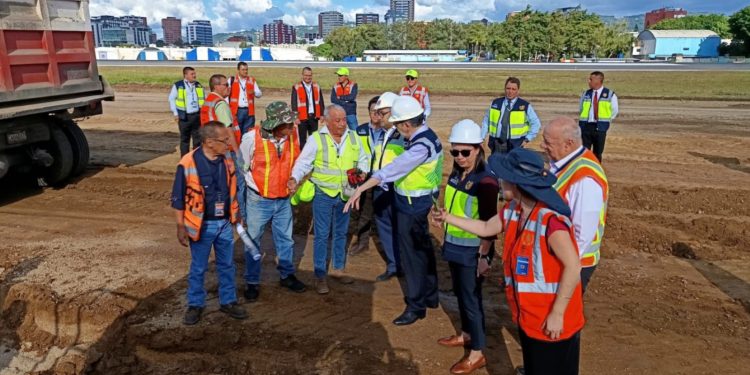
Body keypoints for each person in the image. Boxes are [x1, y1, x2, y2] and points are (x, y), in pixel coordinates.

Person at [432, 148, 584, 375]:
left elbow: (573, 266)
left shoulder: (550, 221)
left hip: (552, 321)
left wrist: (557, 313)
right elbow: (485, 227)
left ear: (517, 184)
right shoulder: (513, 210)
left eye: (504, 177)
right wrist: (447, 218)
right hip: (529, 317)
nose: (500, 180)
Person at [344, 96, 443, 326]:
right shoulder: (428, 136)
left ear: (407, 124)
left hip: (412, 205)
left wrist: (361, 189)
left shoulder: (420, 145)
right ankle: (430, 295)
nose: (397, 130)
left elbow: (393, 169)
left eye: (398, 125)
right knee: (424, 251)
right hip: (417, 201)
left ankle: (416, 305)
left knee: (412, 257)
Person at [170, 121, 248, 325]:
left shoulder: (227, 160)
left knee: (227, 265)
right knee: (198, 267)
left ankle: (228, 301)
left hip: (223, 223)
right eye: (225, 140)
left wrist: (237, 216)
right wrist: (180, 226)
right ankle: (195, 304)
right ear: (210, 142)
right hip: (201, 226)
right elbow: (177, 198)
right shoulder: (188, 163)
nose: (229, 144)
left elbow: (233, 191)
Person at [435, 120, 498, 374]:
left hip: (473, 251)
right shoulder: (457, 173)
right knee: (461, 294)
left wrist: (484, 257)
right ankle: (467, 334)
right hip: (454, 245)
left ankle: (477, 353)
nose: (459, 157)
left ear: (479, 149)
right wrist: (443, 216)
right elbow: (458, 209)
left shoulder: (486, 182)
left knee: (472, 300)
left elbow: (490, 224)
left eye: (465, 152)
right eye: (455, 152)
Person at [289, 104, 370, 294]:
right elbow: (303, 163)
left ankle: (338, 270)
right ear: (326, 120)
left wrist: (362, 172)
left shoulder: (353, 137)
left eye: (344, 119)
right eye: (338, 120)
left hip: (345, 194)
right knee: (322, 235)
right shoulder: (317, 139)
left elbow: (364, 158)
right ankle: (320, 275)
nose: (342, 124)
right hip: (323, 194)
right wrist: (295, 177)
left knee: (341, 233)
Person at [239, 102, 307, 303]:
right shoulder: (251, 139)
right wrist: (244, 202)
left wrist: (295, 177)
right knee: (253, 242)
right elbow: (241, 168)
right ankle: (252, 281)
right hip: (258, 200)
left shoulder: (293, 135)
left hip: (283, 199)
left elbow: (298, 161)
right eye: (287, 124)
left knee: (286, 239)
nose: (292, 126)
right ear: (275, 124)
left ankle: (286, 275)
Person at [541, 117, 609, 293]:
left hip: (573, 264)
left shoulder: (585, 178)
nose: (543, 146)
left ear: (568, 144)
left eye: (548, 142)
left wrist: (563, 266)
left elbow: (582, 235)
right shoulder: (566, 163)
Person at [369, 92, 404, 281]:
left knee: (400, 229)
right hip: (379, 188)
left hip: (396, 189)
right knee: (384, 226)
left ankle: (403, 264)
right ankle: (393, 264)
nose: (379, 117)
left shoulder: (403, 135)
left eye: (383, 113)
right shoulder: (383, 134)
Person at [201, 74, 245, 221]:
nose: (229, 87)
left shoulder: (209, 101)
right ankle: (241, 216)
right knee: (238, 184)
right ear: (216, 86)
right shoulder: (220, 104)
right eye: (226, 85)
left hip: (212, 149)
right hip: (226, 150)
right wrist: (237, 153)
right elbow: (228, 131)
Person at [348, 96, 383, 256]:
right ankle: (362, 242)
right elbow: (352, 153)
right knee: (361, 210)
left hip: (382, 177)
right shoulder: (360, 130)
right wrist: (357, 172)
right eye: (372, 111)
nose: (375, 114)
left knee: (375, 212)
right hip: (363, 176)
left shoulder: (391, 133)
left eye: (379, 111)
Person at [481, 77, 541, 155]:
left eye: (513, 89)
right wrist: (481, 138)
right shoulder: (495, 103)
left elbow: (536, 124)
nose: (510, 91)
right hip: (496, 144)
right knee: (496, 166)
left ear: (518, 91)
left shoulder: (524, 106)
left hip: (515, 144)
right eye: (508, 88)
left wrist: (527, 139)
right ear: (504, 89)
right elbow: (486, 122)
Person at [578, 71, 619, 161]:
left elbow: (614, 111)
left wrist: (606, 121)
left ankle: (596, 171)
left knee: (598, 152)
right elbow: (581, 108)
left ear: (598, 81)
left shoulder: (610, 94)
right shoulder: (585, 94)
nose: (588, 81)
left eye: (590, 79)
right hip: (586, 126)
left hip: (600, 127)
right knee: (584, 152)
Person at [169, 66, 206, 156]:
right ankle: (185, 159)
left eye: (194, 73)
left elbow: (203, 99)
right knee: (185, 139)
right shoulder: (178, 85)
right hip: (184, 117)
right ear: (185, 75)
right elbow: (171, 99)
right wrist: (175, 114)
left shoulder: (198, 85)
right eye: (192, 74)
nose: (194, 75)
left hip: (196, 116)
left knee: (197, 139)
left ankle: (196, 158)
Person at [291, 67, 325, 149]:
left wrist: (322, 114)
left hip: (314, 116)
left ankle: (313, 156)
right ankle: (303, 157)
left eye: (310, 75)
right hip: (301, 117)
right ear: (302, 75)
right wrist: (295, 117)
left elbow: (321, 101)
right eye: (306, 75)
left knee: (314, 138)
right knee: (302, 139)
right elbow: (294, 103)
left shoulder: (316, 86)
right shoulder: (296, 86)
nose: (308, 77)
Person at [228, 62, 263, 135]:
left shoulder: (251, 80)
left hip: (249, 111)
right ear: (238, 70)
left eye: (246, 69)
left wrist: (254, 92)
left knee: (248, 133)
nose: (245, 71)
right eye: (243, 69)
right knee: (236, 132)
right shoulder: (232, 80)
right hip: (237, 111)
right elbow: (226, 95)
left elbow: (259, 94)